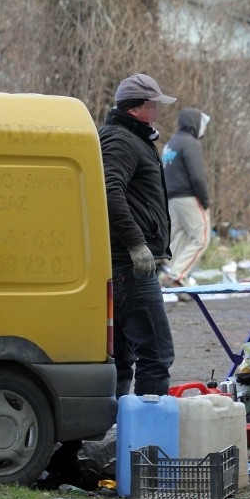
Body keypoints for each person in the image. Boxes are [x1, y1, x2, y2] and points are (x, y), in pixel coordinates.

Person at [98, 73, 176, 398]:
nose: (158, 110)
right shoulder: (121, 140)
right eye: (154, 104)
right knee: (157, 354)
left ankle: (112, 434)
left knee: (121, 357)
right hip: (130, 267)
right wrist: (136, 244)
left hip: (124, 264)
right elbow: (109, 189)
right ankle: (146, 440)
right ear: (136, 109)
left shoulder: (132, 138)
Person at [161, 107, 212, 287]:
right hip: (189, 197)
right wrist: (205, 201)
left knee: (181, 236)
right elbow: (197, 176)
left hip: (171, 199)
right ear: (194, 124)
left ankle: (169, 273)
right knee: (201, 237)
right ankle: (176, 276)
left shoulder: (171, 144)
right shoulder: (190, 144)